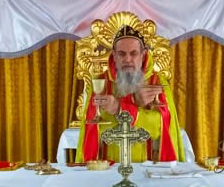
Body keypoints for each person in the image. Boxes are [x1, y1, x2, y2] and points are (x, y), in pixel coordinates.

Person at [76, 25, 184, 163]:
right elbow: (93, 129)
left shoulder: (157, 82)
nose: (127, 59)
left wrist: (120, 108)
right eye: (122, 54)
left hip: (149, 168)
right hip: (108, 168)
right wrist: (132, 105)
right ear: (114, 55)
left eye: (133, 53)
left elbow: (161, 128)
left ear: (142, 55)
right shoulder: (100, 83)